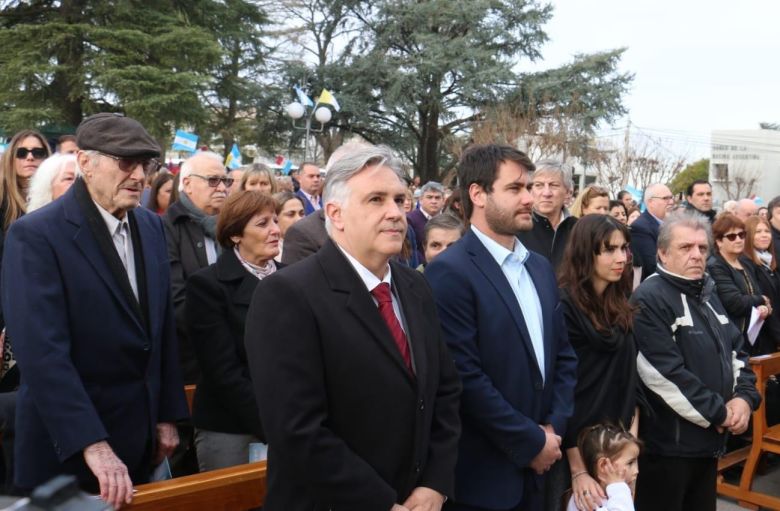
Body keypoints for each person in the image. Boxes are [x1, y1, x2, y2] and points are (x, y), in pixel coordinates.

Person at [245, 143, 461, 510]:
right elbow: (298, 430)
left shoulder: (415, 287)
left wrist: (435, 485)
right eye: (376, 200)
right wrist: (380, 503)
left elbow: (444, 392)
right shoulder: (287, 294)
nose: (395, 213)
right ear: (336, 213)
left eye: (399, 199)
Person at [2, 113, 187, 509]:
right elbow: (42, 354)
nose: (140, 176)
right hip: (66, 451)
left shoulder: (151, 228)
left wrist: (168, 414)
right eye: (126, 163)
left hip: (139, 445)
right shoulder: (35, 235)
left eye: (148, 165)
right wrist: (92, 443)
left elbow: (161, 329)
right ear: (86, 163)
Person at [426, 144, 577, 511]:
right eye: (515, 189)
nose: (529, 198)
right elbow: (466, 378)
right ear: (477, 193)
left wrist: (552, 432)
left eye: (529, 187)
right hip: (486, 480)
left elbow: (563, 357)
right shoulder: (450, 272)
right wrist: (530, 442)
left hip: (541, 470)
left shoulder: (539, 267)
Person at [631, 210, 760, 511]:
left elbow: (737, 351)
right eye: (685, 248)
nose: (696, 255)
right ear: (662, 253)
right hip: (670, 449)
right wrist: (721, 414)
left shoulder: (707, 291)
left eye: (702, 248)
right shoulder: (649, 298)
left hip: (708, 444)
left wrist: (743, 399)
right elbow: (662, 374)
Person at [186, 191, 281, 471]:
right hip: (231, 427)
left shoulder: (295, 277)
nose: (276, 230)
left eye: (275, 221)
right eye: (263, 224)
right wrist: (272, 423)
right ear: (236, 234)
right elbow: (223, 372)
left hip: (293, 420)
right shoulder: (207, 286)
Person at [555, 215, 638, 511]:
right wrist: (577, 469)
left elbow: (631, 382)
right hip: (575, 446)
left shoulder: (621, 306)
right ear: (585, 253)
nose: (621, 258)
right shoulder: (563, 306)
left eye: (624, 248)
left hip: (616, 442)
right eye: (609, 249)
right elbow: (563, 392)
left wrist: (629, 457)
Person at [163, 151, 231, 385]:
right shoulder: (166, 227)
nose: (222, 187)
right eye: (213, 180)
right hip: (191, 362)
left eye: (226, 181)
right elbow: (175, 297)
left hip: (235, 359)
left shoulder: (233, 225)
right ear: (188, 184)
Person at [707, 214, 772, 356]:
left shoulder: (746, 262)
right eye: (731, 237)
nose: (738, 239)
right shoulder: (716, 266)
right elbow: (734, 303)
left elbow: (756, 294)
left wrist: (764, 308)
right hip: (731, 341)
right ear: (719, 241)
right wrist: (761, 300)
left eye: (741, 235)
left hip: (753, 339)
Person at [517, 160, 577, 271]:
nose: (546, 193)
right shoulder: (516, 229)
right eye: (538, 185)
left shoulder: (580, 229)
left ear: (568, 193)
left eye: (554, 185)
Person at [565, 424, 640, 511]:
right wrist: (618, 488)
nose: (637, 471)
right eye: (630, 463)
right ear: (603, 465)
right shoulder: (588, 501)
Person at [742, 216, 780, 354]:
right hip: (762, 339)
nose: (764, 235)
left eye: (767, 231)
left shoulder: (770, 263)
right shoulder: (747, 264)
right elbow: (764, 301)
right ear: (748, 236)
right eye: (758, 232)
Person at [630, 183, 674, 281]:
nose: (671, 202)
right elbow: (652, 266)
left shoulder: (671, 224)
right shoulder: (640, 228)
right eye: (665, 198)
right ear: (650, 202)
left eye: (671, 197)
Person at [407, 181, 446, 263]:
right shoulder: (410, 220)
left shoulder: (449, 221)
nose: (434, 201)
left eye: (437, 197)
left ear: (443, 201)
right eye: (429, 197)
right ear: (420, 200)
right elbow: (410, 250)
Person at [272, 191, 305, 263]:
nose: (299, 219)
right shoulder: (271, 254)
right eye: (290, 214)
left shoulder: (311, 245)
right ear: (275, 218)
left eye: (302, 214)